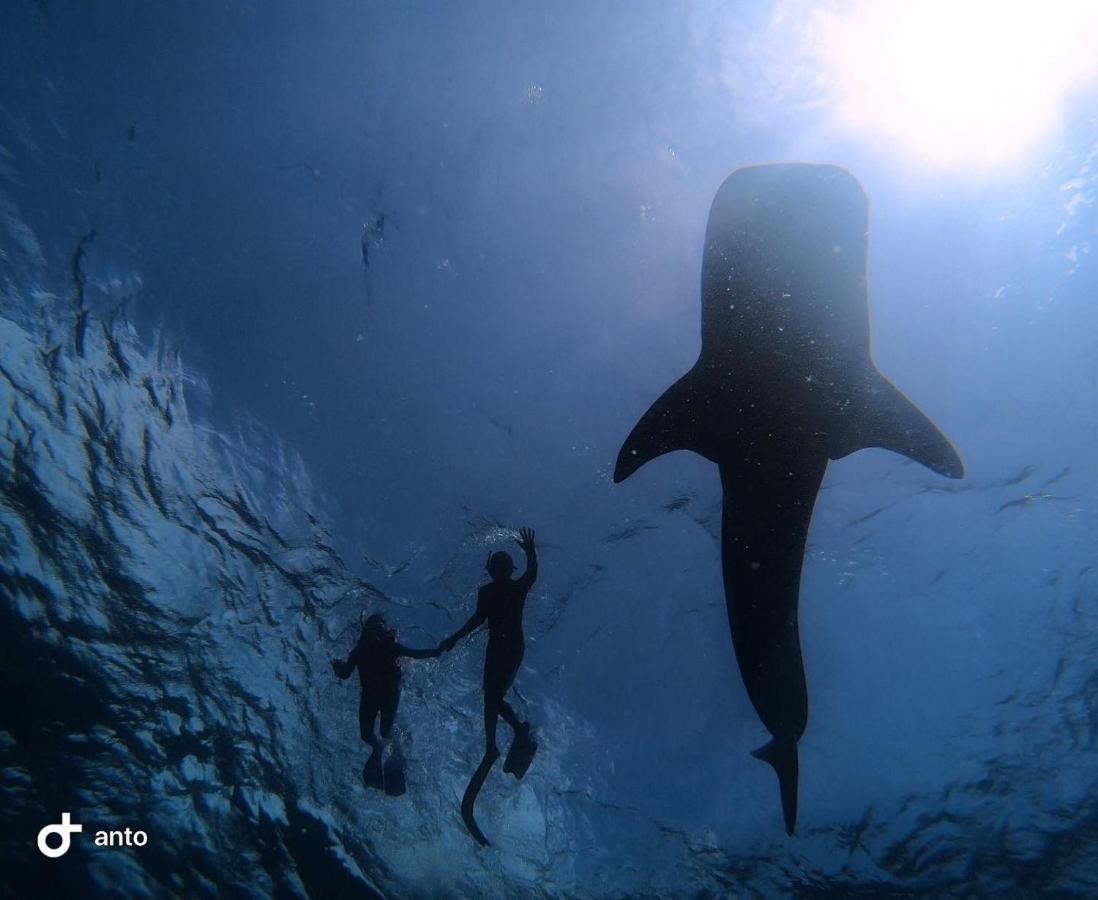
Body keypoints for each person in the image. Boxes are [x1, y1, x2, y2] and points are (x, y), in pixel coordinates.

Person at [439, 527, 538, 845]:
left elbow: (533, 574)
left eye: (502, 566)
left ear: (507, 570)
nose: (498, 570)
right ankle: (492, 745)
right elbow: (477, 620)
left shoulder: (517, 587)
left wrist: (531, 551)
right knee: (489, 697)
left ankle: (514, 733)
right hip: (496, 649)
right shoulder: (487, 593)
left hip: (511, 648)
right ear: (492, 570)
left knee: (494, 696)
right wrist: (453, 638)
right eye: (495, 565)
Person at [332, 612, 439, 795]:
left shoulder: (390, 647)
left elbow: (415, 654)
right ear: (366, 631)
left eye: (378, 628)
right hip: (371, 696)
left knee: (384, 731)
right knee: (367, 735)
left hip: (389, 694)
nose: (375, 632)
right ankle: (378, 749)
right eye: (372, 628)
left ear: (383, 631)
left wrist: (436, 651)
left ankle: (396, 752)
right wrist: (338, 667)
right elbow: (346, 673)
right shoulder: (359, 651)